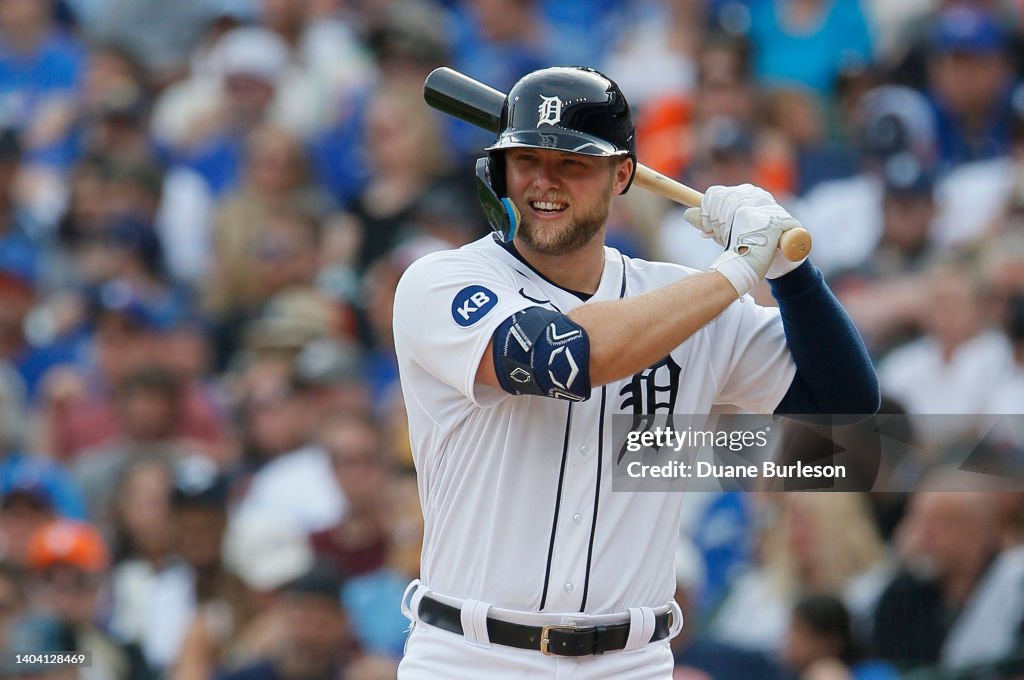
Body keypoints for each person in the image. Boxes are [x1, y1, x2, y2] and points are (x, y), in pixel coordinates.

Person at [392, 66, 878, 678]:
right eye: (527, 160)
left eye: (573, 163)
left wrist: (789, 273)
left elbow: (843, 402)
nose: (544, 182)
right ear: (501, 171)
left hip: (631, 660)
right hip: (470, 654)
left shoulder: (680, 299)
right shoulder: (442, 282)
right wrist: (734, 272)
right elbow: (564, 357)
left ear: (622, 173)